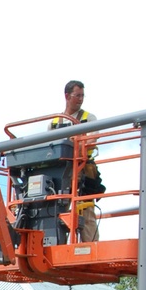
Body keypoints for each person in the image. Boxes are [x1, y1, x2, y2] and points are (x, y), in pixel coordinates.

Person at [49, 80, 101, 242]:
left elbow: (92, 140)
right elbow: (48, 147)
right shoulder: (56, 122)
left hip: (83, 171)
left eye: (82, 96)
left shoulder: (88, 118)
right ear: (67, 96)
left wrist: (75, 144)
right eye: (77, 95)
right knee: (56, 209)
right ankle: (57, 243)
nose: (80, 99)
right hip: (60, 172)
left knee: (86, 211)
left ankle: (91, 246)